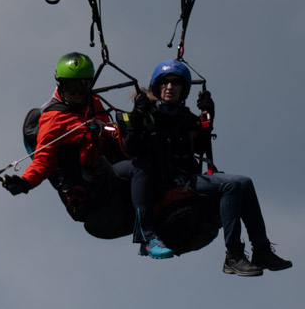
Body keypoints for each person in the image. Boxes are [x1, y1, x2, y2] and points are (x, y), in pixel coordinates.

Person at [124, 59, 292, 276]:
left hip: (189, 181)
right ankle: (233, 256)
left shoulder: (186, 118)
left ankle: (261, 249)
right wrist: (137, 118)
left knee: (245, 183)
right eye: (165, 83)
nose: (170, 87)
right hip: (168, 186)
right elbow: (132, 151)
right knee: (233, 185)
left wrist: (207, 119)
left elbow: (200, 148)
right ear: (157, 86)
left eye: (176, 83)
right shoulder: (147, 116)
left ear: (184, 89)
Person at [2, 52, 173, 259]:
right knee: (140, 169)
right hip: (92, 181)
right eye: (70, 87)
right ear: (60, 85)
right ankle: (147, 238)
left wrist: (132, 124)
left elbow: (110, 132)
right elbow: (44, 159)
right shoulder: (53, 119)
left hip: (108, 165)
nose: (76, 94)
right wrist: (25, 183)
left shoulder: (93, 102)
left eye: (82, 86)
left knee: (149, 156)